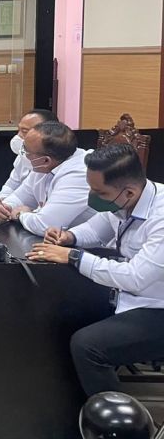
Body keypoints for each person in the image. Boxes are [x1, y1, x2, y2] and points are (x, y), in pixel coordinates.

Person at [27, 144, 164, 397]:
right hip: (129, 298)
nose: (92, 196)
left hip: (156, 307)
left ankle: (114, 419)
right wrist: (69, 236)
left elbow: (135, 278)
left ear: (129, 192)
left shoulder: (160, 216)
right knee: (60, 314)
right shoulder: (125, 199)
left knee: (88, 346)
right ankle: (65, 404)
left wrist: (74, 257)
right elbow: (96, 228)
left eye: (99, 192)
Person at [0, 121, 95, 235]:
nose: (23, 153)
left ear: (46, 160)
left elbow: (46, 226)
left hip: (89, 244)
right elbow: (19, 198)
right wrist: (5, 208)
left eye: (26, 151)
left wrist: (20, 215)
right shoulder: (44, 165)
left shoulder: (80, 174)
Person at [0, 109, 58, 200]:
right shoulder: (22, 156)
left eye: (25, 131)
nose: (19, 136)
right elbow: (11, 185)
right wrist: (1, 199)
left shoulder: (56, 163)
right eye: (19, 130)